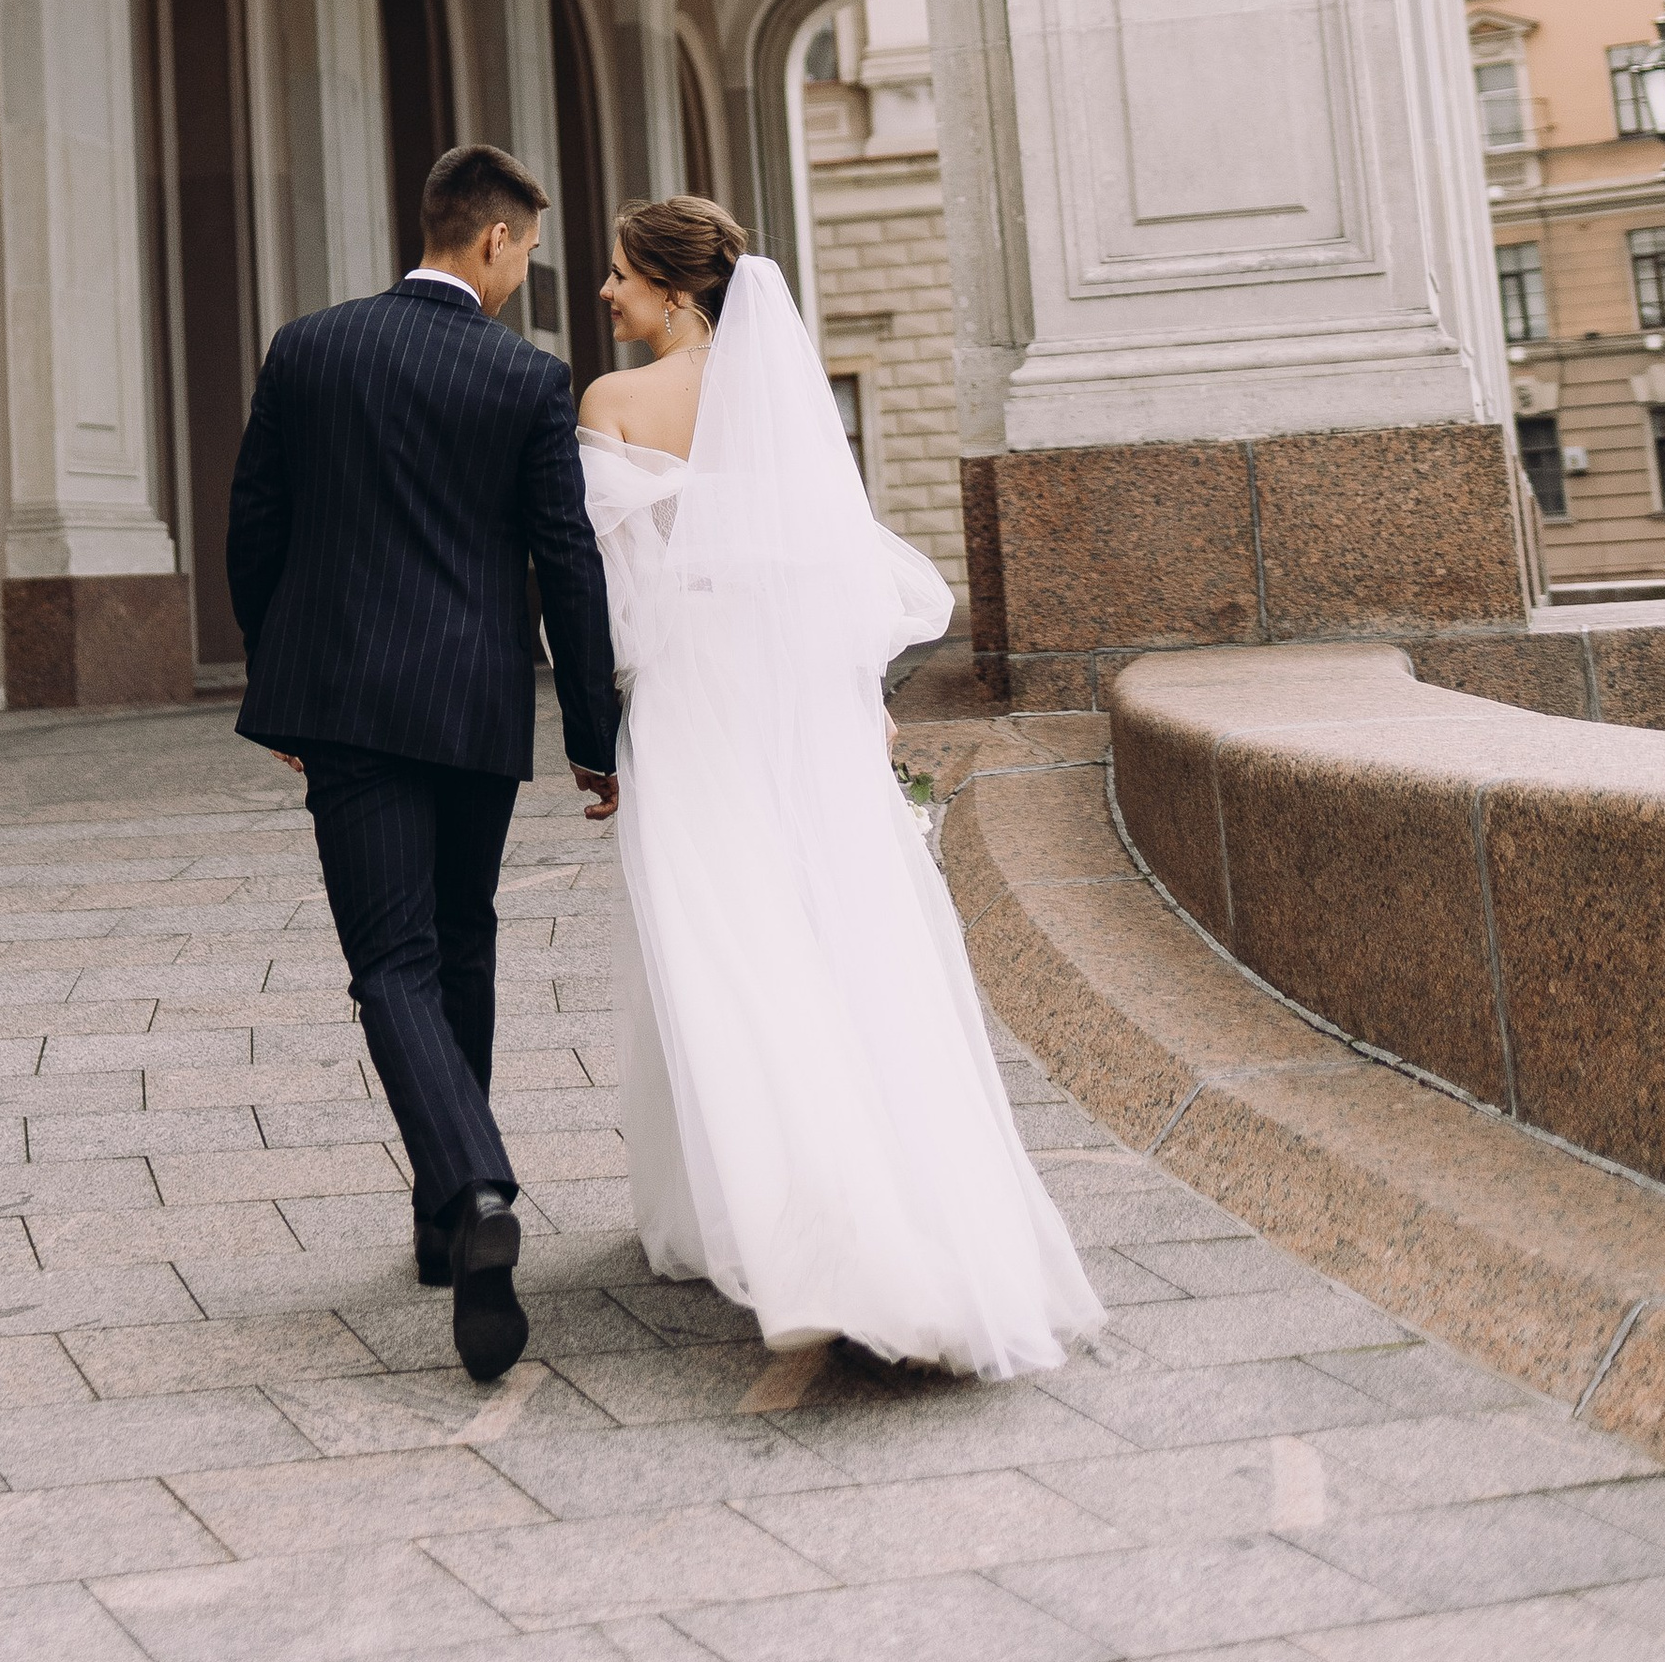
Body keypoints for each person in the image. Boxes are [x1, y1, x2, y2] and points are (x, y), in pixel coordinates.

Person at [579, 193, 1104, 1376]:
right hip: (801, 692)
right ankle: (906, 1213)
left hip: (692, 694)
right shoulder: (782, 397)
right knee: (839, 929)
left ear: (674, 287)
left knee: (719, 940)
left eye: (619, 273)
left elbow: (615, 597)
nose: (604, 292)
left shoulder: (612, 401)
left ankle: (801, 1227)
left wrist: (603, 707)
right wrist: (858, 694)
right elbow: (830, 564)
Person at [227, 142, 621, 1382]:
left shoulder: (309, 347)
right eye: (527, 254)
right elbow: (567, 560)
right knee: (461, 941)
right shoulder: (526, 375)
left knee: (390, 963)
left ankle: (468, 1192)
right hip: (472, 707)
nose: (522, 275)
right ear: (494, 238)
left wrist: (281, 682)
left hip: (344, 703)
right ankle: (450, 1218)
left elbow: (255, 526)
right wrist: (594, 736)